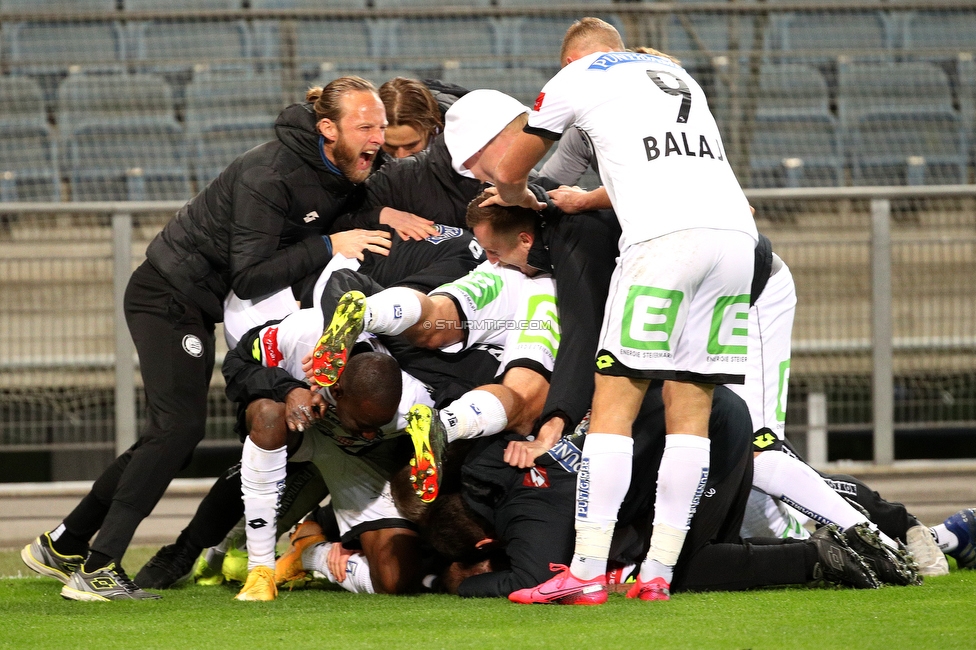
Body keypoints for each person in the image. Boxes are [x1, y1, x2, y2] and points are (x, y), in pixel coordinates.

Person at [20, 76, 391, 601]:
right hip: (167, 297)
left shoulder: (343, 166)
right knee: (177, 430)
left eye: (381, 124)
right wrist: (331, 242)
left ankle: (66, 543)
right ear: (327, 128)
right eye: (366, 125)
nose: (379, 137)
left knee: (170, 433)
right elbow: (250, 276)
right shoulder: (271, 172)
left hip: (194, 305)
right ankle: (98, 567)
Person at [484, 17, 764, 603]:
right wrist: (584, 197)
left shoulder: (576, 77)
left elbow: (510, 170)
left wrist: (515, 199)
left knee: (614, 401)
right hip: (737, 239)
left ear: (571, 59)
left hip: (665, 244)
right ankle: (658, 573)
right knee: (690, 409)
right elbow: (664, 166)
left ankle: (585, 572)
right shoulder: (672, 72)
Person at [404, 386, 907, 599]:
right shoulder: (496, 458)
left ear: (484, 542)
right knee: (682, 551)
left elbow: (532, 574)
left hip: (702, 431)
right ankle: (854, 541)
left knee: (679, 571)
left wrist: (458, 583)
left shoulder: (527, 512)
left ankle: (819, 557)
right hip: (695, 408)